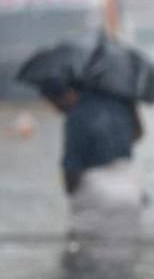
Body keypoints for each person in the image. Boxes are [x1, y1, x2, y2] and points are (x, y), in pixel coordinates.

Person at [46, 84, 145, 237]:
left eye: (55, 101)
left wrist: (70, 189)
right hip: (131, 190)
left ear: (69, 93)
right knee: (124, 253)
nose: (56, 107)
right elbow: (138, 133)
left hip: (95, 194)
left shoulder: (78, 114)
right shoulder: (122, 104)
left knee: (80, 253)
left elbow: (71, 170)